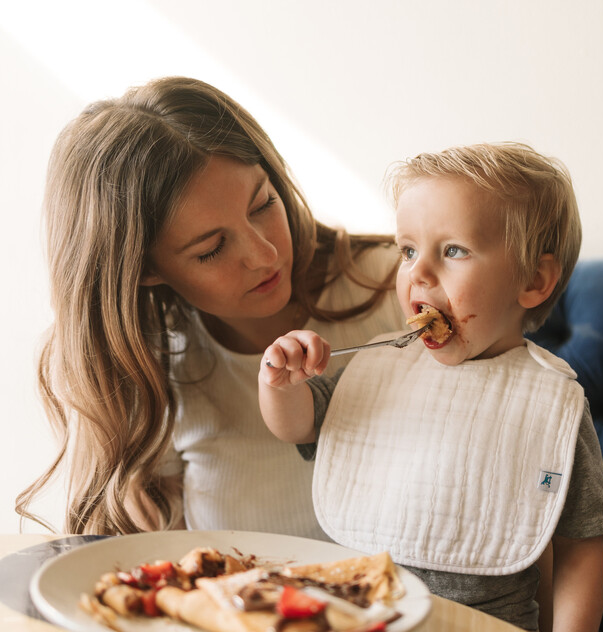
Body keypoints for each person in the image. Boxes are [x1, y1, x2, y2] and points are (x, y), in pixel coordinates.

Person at [258, 143, 603, 632]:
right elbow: (298, 425)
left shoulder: (550, 400)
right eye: (408, 250)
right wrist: (280, 381)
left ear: (534, 281)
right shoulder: (383, 366)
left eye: (453, 250)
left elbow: (581, 546)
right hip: (360, 624)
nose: (418, 273)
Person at [15, 76, 405, 539]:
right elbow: (174, 577)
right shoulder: (152, 374)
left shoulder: (401, 289)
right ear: (144, 269)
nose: (265, 254)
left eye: (263, 204)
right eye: (212, 248)